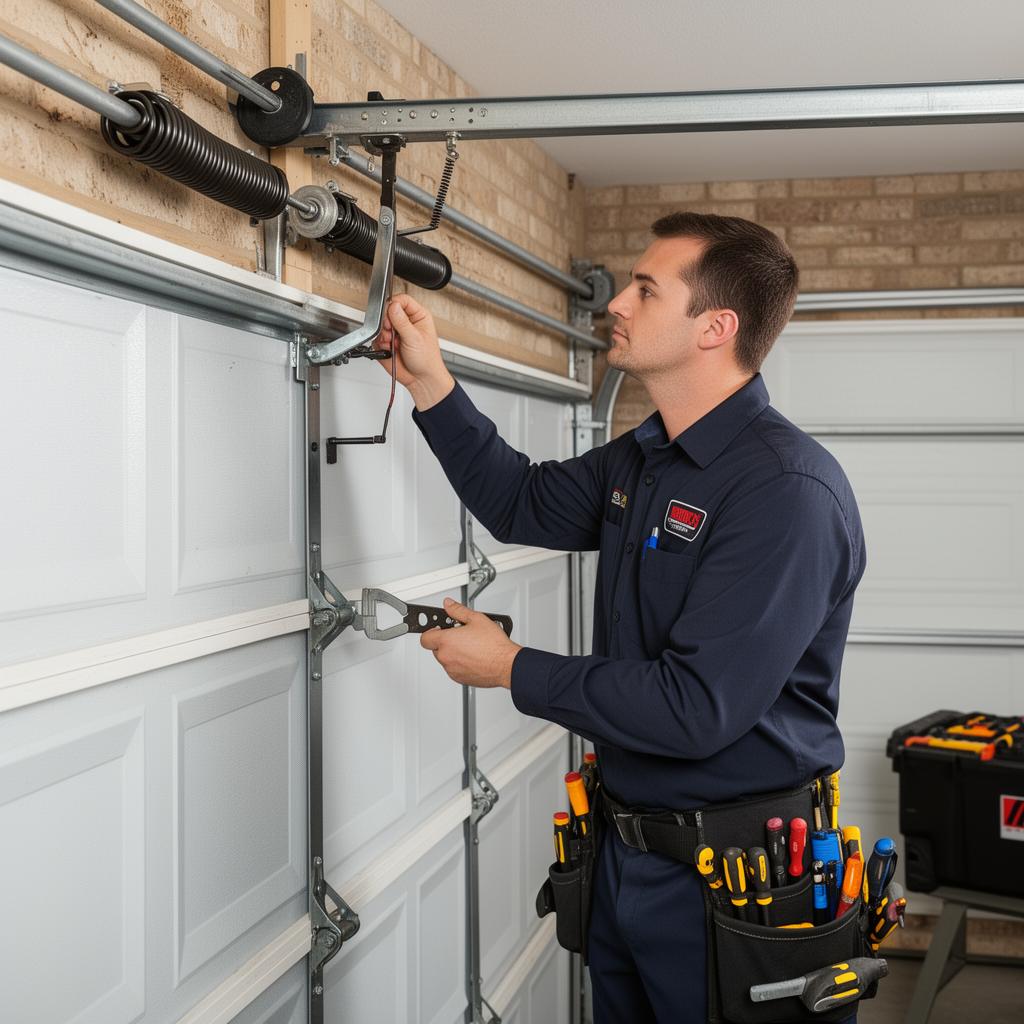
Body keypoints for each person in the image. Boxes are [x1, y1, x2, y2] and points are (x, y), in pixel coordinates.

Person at [376, 211, 866, 1023]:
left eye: (646, 289)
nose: (619, 304)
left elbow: (694, 708)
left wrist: (512, 668)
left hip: (742, 878)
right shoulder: (646, 457)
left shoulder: (786, 492)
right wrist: (429, 379)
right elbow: (520, 500)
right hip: (626, 854)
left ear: (715, 327)